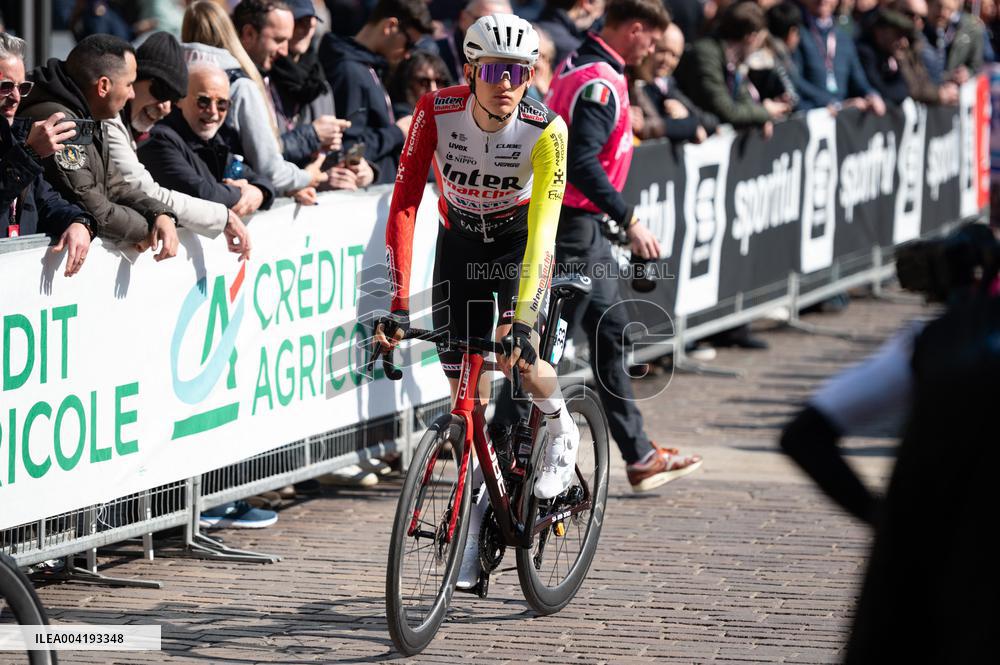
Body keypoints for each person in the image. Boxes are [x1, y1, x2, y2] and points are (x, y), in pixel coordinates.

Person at [373, 14, 576, 588]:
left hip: (516, 250)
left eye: (519, 71)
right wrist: (395, 302)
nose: (507, 83)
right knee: (468, 394)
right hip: (458, 247)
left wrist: (526, 318)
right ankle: (478, 511)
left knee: (521, 360)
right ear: (470, 70)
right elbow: (405, 203)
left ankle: (562, 427)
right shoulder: (436, 111)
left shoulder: (546, 129)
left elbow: (544, 233)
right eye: (494, 70)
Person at [780, 224, 1000, 663]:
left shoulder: (930, 341)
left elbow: (805, 434)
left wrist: (881, 516)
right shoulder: (934, 342)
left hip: (923, 573)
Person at [534, 0, 703, 493]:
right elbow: (581, 160)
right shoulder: (599, 81)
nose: (655, 48)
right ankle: (505, 445)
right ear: (634, 30)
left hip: (583, 229)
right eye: (653, 39)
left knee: (611, 336)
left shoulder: (587, 62)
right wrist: (628, 217)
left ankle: (640, 455)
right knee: (546, 345)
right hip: (573, 229)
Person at [17, 34, 179, 260]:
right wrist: (148, 227)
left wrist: (159, 213)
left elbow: (116, 186)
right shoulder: (59, 120)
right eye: (129, 84)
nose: (132, 94)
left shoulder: (87, 114)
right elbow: (93, 207)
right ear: (103, 86)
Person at [103, 31, 252, 260]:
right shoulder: (113, 123)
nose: (165, 107)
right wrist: (225, 213)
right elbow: (146, 192)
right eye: (161, 91)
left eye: (173, 99)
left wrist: (258, 191)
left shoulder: (133, 128)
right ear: (133, 83)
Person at [182, 0, 323, 205]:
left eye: (221, 104)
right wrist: (307, 176)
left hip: (193, 200)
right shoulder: (241, 85)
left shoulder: (175, 74)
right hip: (230, 204)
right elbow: (269, 169)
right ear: (247, 33)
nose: (284, 51)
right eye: (278, 39)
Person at [1, 32, 93, 276]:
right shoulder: (26, 143)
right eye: (5, 87)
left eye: (22, 87)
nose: (16, 98)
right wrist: (30, 153)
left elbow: (46, 201)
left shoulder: (17, 136)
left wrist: (80, 222)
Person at [319, 0, 435, 184]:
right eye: (409, 44)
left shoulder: (371, 67)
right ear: (390, 26)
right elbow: (350, 150)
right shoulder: (349, 71)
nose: (407, 54)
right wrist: (398, 131)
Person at [138, 63, 276, 215]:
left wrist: (260, 192)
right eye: (203, 101)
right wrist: (243, 191)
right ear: (179, 99)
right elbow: (205, 196)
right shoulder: (159, 140)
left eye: (222, 104)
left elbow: (258, 178)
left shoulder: (214, 141)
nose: (213, 112)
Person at [270, 0, 374, 192]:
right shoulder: (263, 80)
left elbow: (329, 152)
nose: (307, 27)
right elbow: (265, 158)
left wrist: (359, 169)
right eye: (299, 20)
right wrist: (313, 136)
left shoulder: (319, 82)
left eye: (311, 21)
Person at [674, 1, 790, 137]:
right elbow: (727, 111)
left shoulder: (731, 57)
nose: (759, 47)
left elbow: (742, 95)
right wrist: (765, 112)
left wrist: (760, 116)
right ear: (751, 38)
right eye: (760, 41)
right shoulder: (706, 55)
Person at [792, 0, 886, 115]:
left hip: (841, 122)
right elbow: (796, 81)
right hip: (811, 117)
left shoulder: (844, 37)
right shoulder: (797, 34)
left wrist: (872, 95)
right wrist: (834, 104)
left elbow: (859, 79)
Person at [630, 22, 714, 142]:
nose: (667, 60)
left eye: (675, 56)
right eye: (662, 51)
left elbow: (708, 121)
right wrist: (686, 126)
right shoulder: (633, 83)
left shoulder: (668, 85)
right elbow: (644, 127)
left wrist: (685, 116)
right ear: (650, 46)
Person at [857, 7, 957, 105]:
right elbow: (884, 91)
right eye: (898, 35)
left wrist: (901, 61)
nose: (904, 43)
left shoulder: (898, 54)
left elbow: (911, 85)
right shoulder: (866, 53)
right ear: (880, 32)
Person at [435, 0, 512, 85]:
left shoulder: (520, 59)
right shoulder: (435, 53)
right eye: (484, 22)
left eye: (504, 26)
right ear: (463, 19)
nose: (493, 31)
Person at [922, 0, 985, 84]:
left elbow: (976, 64)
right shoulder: (920, 26)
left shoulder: (970, 27)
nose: (942, 13)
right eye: (938, 6)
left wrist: (968, 72)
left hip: (952, 88)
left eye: (948, 9)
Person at [535, 0, 606, 66]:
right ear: (586, 2)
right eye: (601, 10)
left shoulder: (529, 27)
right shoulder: (575, 52)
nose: (598, 18)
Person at [387, 49, 453, 117]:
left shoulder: (454, 116)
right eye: (424, 82)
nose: (434, 90)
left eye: (439, 82)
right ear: (408, 83)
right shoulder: (400, 118)